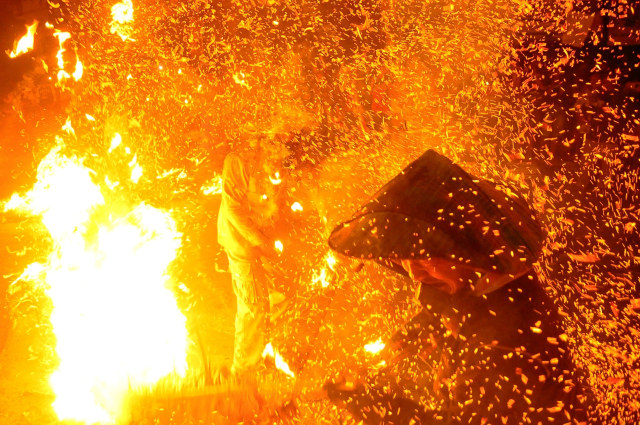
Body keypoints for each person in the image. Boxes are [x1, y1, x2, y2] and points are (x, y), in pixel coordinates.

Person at [217, 134, 285, 375]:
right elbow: (233, 209)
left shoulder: (264, 158)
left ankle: (259, 361)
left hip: (255, 247)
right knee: (253, 306)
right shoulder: (238, 160)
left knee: (268, 301)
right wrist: (261, 241)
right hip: (243, 247)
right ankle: (243, 374)